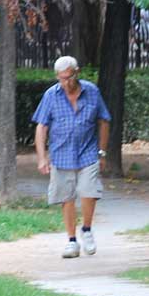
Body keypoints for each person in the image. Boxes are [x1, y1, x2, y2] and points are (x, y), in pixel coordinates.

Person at [32, 55, 111, 258]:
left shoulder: (92, 91)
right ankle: (72, 241)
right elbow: (41, 127)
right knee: (66, 197)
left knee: (89, 191)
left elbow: (104, 121)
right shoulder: (51, 95)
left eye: (69, 77)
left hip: (88, 152)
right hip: (61, 154)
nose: (66, 83)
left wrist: (102, 152)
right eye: (61, 78)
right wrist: (42, 157)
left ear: (77, 73)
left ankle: (86, 229)